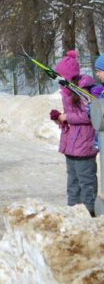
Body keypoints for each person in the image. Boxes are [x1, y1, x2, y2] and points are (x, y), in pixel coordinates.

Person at [53, 50, 98, 217]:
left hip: (84, 145)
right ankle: (73, 212)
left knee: (86, 182)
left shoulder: (85, 91)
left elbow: (90, 115)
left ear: (69, 76)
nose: (58, 80)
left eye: (61, 77)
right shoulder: (66, 92)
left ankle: (90, 213)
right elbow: (72, 116)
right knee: (72, 182)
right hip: (71, 145)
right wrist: (60, 118)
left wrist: (67, 117)